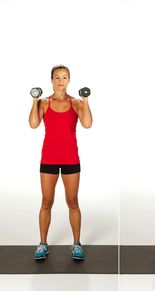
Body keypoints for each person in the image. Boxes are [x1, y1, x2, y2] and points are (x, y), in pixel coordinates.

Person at [29, 65, 92, 260]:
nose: (60, 81)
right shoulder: (44, 103)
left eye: (64, 77)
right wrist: (34, 100)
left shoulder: (76, 103)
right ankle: (42, 244)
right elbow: (33, 124)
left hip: (70, 159)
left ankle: (76, 244)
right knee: (47, 202)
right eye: (57, 77)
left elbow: (88, 124)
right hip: (48, 159)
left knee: (72, 202)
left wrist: (86, 100)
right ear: (52, 80)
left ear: (69, 80)